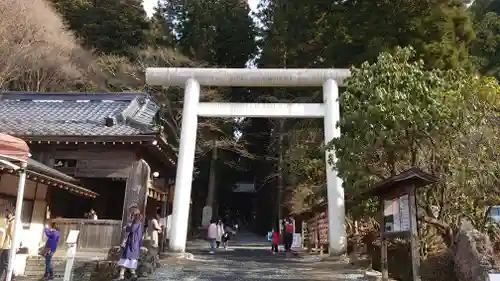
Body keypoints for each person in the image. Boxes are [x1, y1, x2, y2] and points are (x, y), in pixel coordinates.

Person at [117, 210, 142, 280]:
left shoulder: (136, 221)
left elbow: (132, 229)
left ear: (134, 215)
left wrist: (127, 227)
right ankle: (133, 275)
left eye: (132, 214)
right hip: (134, 243)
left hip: (132, 243)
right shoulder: (138, 221)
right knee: (131, 259)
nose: (131, 216)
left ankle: (122, 275)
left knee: (126, 258)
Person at [0, 210, 15, 281]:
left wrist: (15, 245)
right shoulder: (9, 221)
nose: (6, 214)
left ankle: (11, 277)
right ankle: (11, 277)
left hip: (8, 245)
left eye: (7, 213)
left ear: (11, 214)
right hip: (6, 245)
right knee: (2, 262)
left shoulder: (13, 221)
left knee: (6, 263)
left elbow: (11, 233)